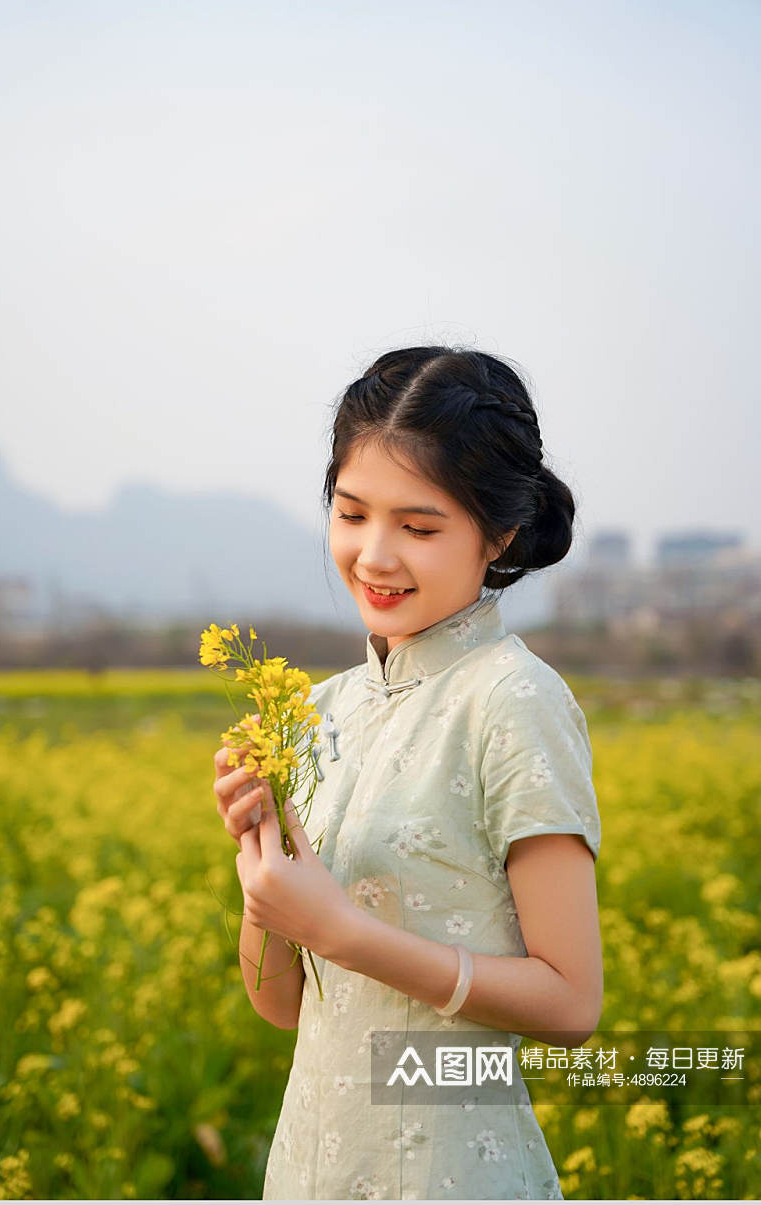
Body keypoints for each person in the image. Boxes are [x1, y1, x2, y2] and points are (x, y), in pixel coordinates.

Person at [213, 345, 603, 1201]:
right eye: (352, 515)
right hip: (312, 1166)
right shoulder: (316, 708)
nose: (374, 556)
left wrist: (346, 931)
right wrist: (262, 868)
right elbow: (283, 1005)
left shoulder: (514, 699)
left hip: (449, 1174)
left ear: (498, 533)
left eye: (419, 527)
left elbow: (574, 1004)